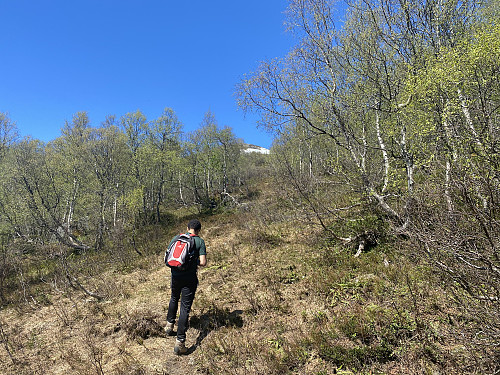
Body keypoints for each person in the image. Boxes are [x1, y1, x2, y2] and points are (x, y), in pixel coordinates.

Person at [165, 219, 207, 355]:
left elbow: (169, 256)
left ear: (187, 228)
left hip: (175, 276)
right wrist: (192, 262)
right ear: (199, 230)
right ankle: (180, 342)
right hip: (189, 279)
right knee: (185, 307)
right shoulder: (199, 242)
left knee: (173, 298)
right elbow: (203, 262)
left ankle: (169, 326)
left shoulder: (177, 238)